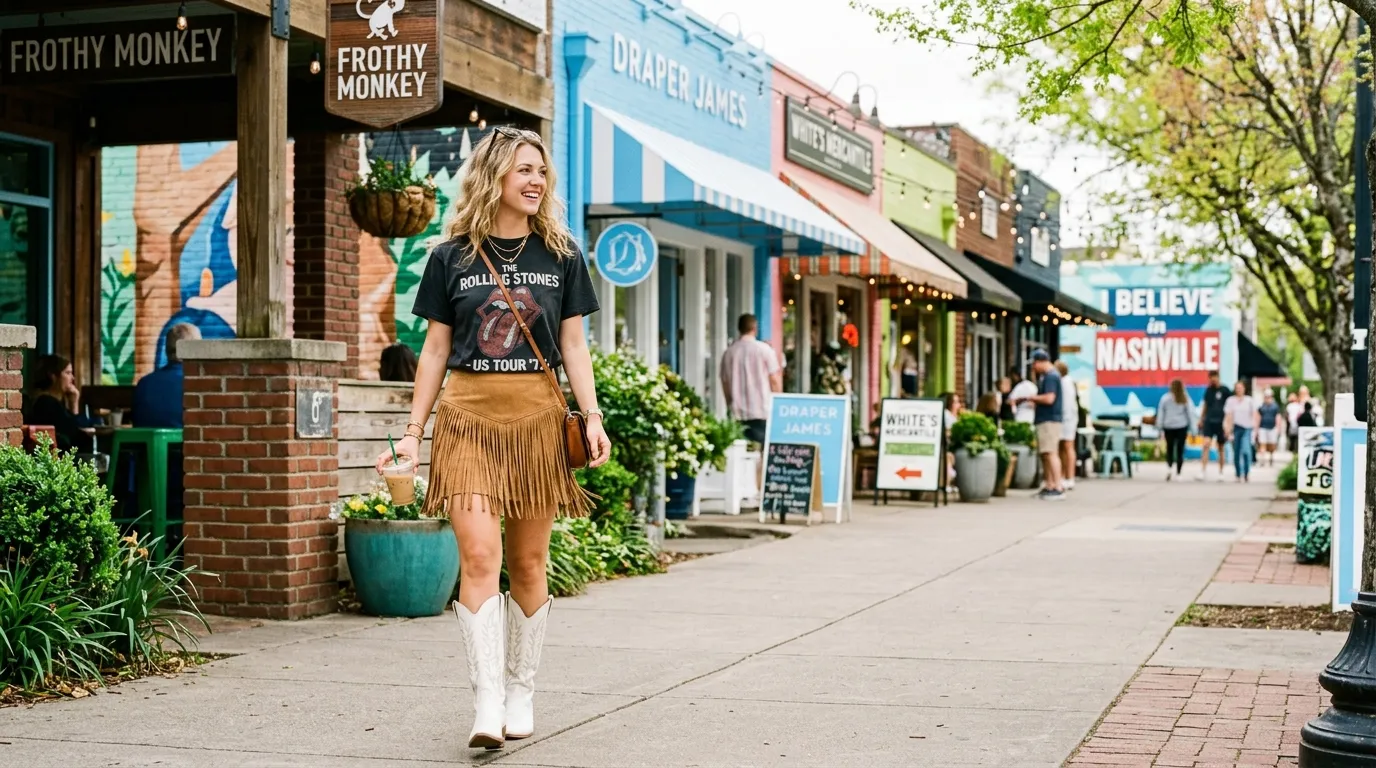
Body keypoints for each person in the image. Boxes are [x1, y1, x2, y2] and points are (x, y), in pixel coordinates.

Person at [375, 126, 610, 751]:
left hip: (536, 423)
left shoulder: (561, 255)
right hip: (467, 421)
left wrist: (591, 416)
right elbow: (434, 350)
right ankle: (485, 702)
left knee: (531, 562)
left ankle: (521, 690)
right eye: (524, 169)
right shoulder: (451, 257)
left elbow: (574, 346)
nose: (536, 180)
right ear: (495, 177)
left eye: (541, 171)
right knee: (480, 558)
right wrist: (412, 433)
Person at [721, 313, 782, 447]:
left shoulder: (729, 353)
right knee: (762, 452)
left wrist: (729, 403)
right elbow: (774, 379)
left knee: (741, 453)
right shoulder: (765, 350)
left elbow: (725, 382)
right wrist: (778, 403)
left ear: (739, 329)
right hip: (761, 410)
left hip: (738, 413)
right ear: (755, 328)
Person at [22, 354, 97, 453]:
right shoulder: (46, 403)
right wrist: (74, 402)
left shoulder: (54, 401)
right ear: (53, 376)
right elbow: (74, 432)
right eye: (68, 373)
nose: (72, 378)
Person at [132, 322, 201, 428]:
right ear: (195, 350)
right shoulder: (199, 384)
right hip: (184, 444)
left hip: (148, 444)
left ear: (167, 351)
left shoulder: (144, 383)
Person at [1016, 350, 1064, 500]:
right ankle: (1049, 484)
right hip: (1045, 419)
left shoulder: (1051, 377)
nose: (1034, 367)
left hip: (1049, 420)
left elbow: (1050, 398)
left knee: (1050, 453)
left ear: (1041, 361)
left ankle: (1057, 486)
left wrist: (1031, 398)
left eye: (1035, 364)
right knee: (1045, 454)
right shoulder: (1047, 377)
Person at [1156, 379, 1195, 481]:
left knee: (1170, 448)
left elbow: (1161, 413)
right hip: (1182, 426)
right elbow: (1190, 414)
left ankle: (1169, 468)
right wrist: (1193, 429)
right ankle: (1178, 473)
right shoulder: (1185, 398)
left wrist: (1159, 427)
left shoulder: (1165, 398)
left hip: (1168, 426)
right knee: (1180, 450)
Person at [1198, 370, 1230, 482]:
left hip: (1221, 422)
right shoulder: (1208, 390)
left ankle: (1221, 472)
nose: (1213, 380)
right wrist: (1201, 419)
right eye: (1211, 378)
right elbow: (1205, 405)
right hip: (1209, 421)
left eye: (1214, 377)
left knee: (1220, 447)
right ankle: (1203, 470)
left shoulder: (1225, 391)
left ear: (1218, 377)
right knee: (1206, 444)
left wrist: (1228, 423)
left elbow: (1229, 407)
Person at [1224, 382, 1260, 482]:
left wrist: (1255, 429)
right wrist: (1227, 428)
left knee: (1246, 450)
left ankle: (1246, 472)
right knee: (1236, 451)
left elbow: (1255, 414)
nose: (1239, 390)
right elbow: (1229, 415)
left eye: (1241, 388)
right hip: (1236, 428)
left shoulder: (1249, 400)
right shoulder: (1231, 401)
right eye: (1237, 388)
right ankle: (1238, 473)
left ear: (1244, 389)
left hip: (1247, 428)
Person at [1054, 360, 1080, 490]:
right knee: (1062, 448)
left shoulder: (1065, 383)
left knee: (1068, 446)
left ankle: (1070, 477)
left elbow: (1066, 404)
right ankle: (1064, 476)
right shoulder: (1066, 382)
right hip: (1067, 418)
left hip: (1067, 418)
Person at [1256, 391, 1281, 467]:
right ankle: (1262, 460)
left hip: (1272, 428)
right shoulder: (1261, 406)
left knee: (1272, 445)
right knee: (1262, 444)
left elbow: (1278, 417)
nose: (1267, 398)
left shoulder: (1275, 406)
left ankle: (1271, 458)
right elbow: (1258, 417)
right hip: (1262, 427)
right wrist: (1256, 428)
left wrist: (1278, 427)